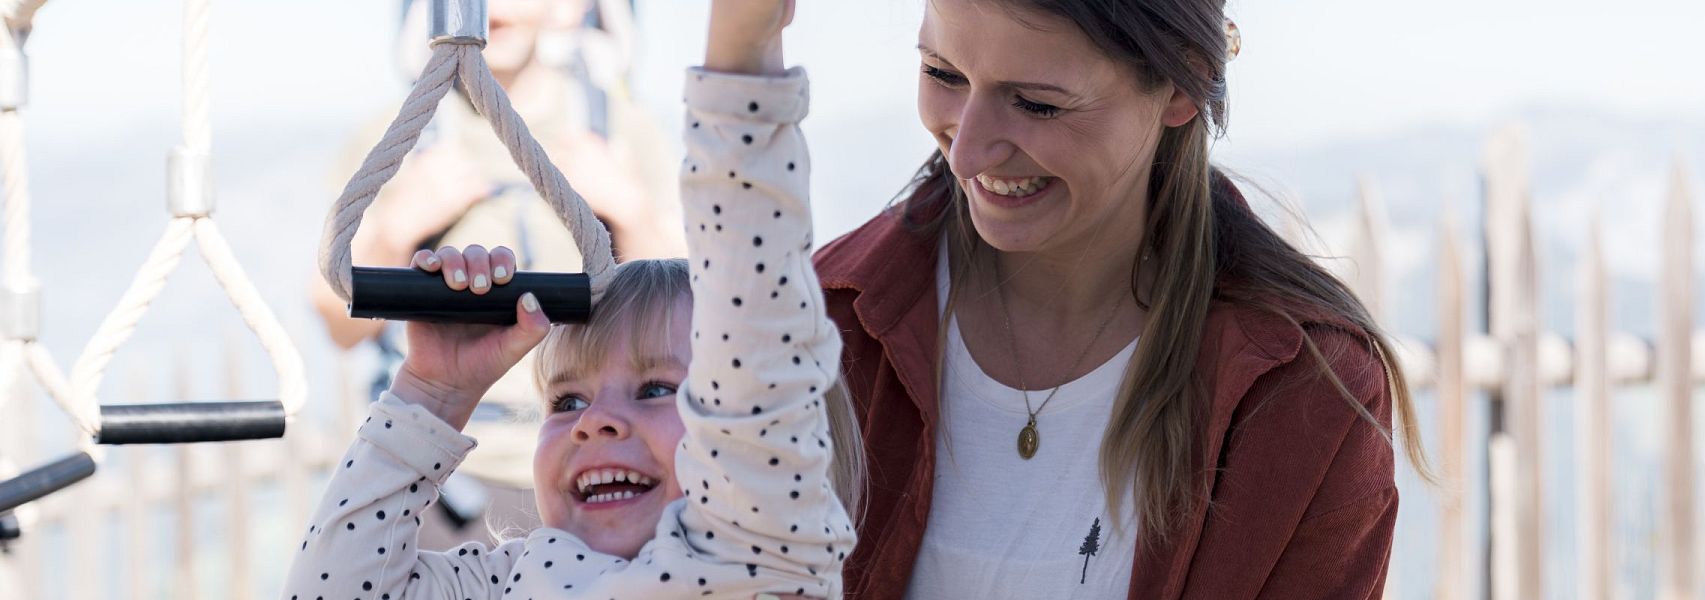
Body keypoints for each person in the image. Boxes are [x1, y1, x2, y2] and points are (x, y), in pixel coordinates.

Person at [765, 0, 1432, 596]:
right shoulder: (827, 325)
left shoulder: (1305, 394)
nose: (965, 153)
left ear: (1181, 82)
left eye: (1036, 103)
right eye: (943, 74)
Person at [282, 1, 862, 592]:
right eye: (566, 402)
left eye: (657, 390)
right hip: (458, 475)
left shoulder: (756, 552)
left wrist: (742, 41)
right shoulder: (523, 575)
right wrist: (433, 392)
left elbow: (731, 295)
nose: (594, 422)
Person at [307, 0, 686, 537]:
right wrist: (397, 227)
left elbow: (689, 311)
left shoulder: (624, 131)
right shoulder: (399, 137)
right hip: (448, 480)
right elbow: (335, 321)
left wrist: (629, 210)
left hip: (597, 467)